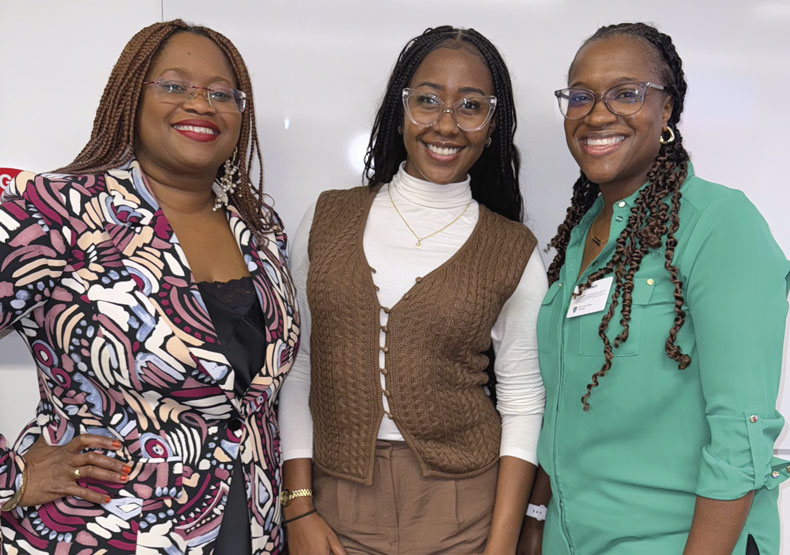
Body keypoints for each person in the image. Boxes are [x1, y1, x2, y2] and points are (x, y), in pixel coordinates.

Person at [0, 20, 299, 554]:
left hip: (249, 526)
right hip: (100, 532)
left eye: (220, 93)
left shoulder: (262, 229)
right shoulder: (52, 211)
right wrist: (11, 478)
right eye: (174, 86)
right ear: (130, 98)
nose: (200, 104)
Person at [520, 22, 790, 555]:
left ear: (666, 110)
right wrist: (535, 517)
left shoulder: (718, 223)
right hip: (569, 540)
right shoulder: (581, 234)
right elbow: (566, 403)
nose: (597, 114)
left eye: (626, 93)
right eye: (580, 96)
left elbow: (741, 432)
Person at [279, 25, 546, 555]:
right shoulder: (327, 218)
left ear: (492, 125)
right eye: (427, 100)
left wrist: (500, 545)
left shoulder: (513, 248)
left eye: (470, 106)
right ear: (400, 109)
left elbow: (522, 399)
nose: (445, 124)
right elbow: (300, 363)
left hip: (464, 509)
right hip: (335, 504)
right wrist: (299, 506)